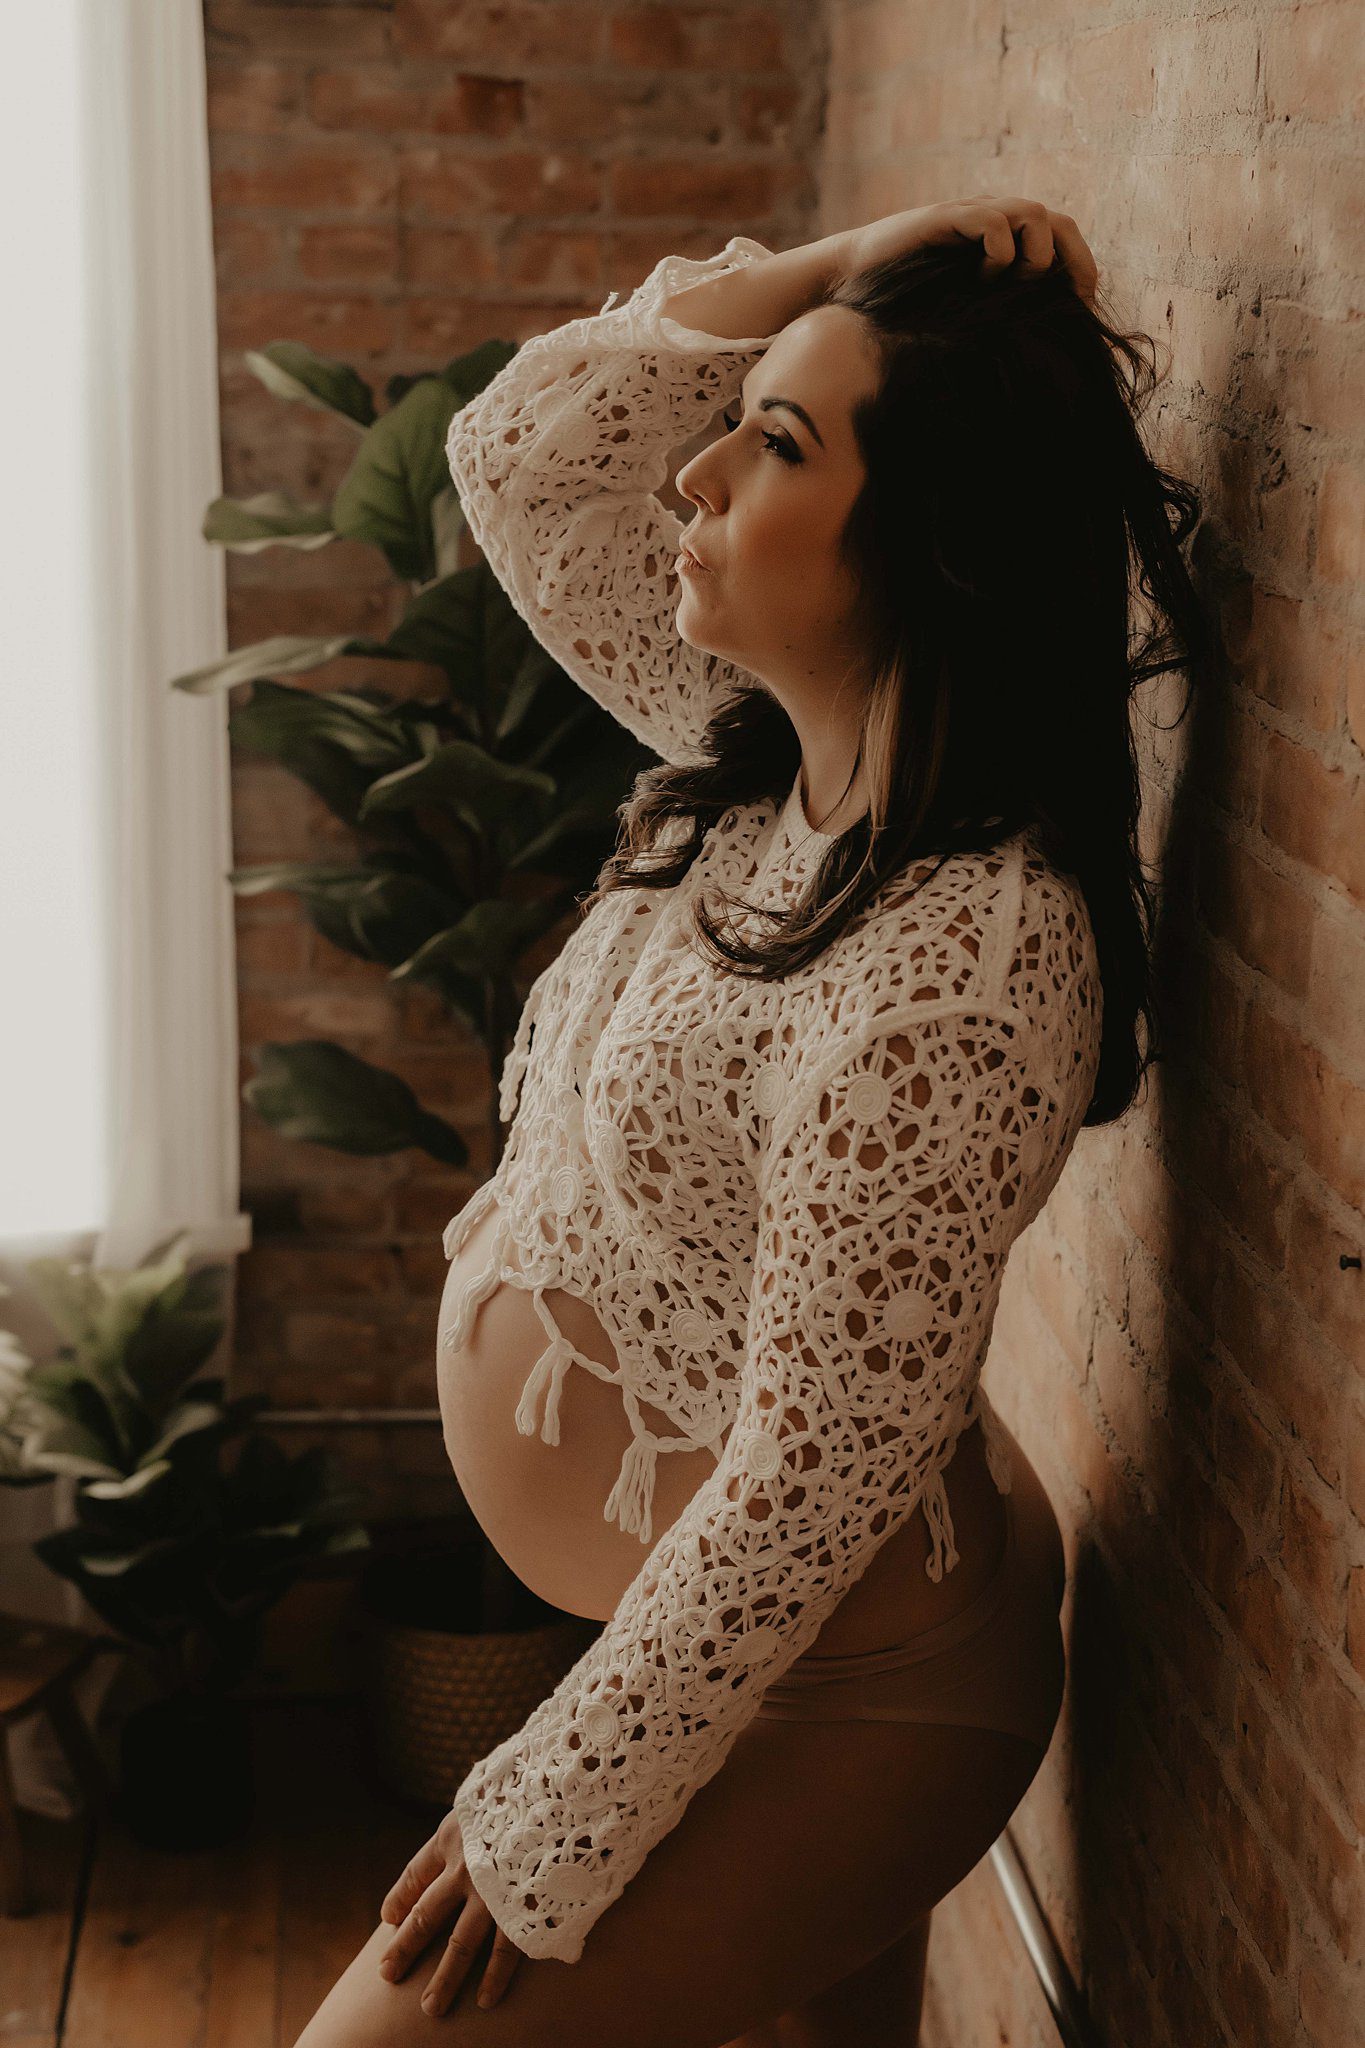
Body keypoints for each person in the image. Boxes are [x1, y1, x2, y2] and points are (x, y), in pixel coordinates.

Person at [294, 197, 1208, 2047]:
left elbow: (804, 1484)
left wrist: (543, 1811)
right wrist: (850, 265)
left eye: (778, 441)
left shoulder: (963, 967)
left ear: (931, 546)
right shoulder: (761, 755)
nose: (695, 469)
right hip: (737, 1633)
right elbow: (525, 454)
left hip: (852, 1682)